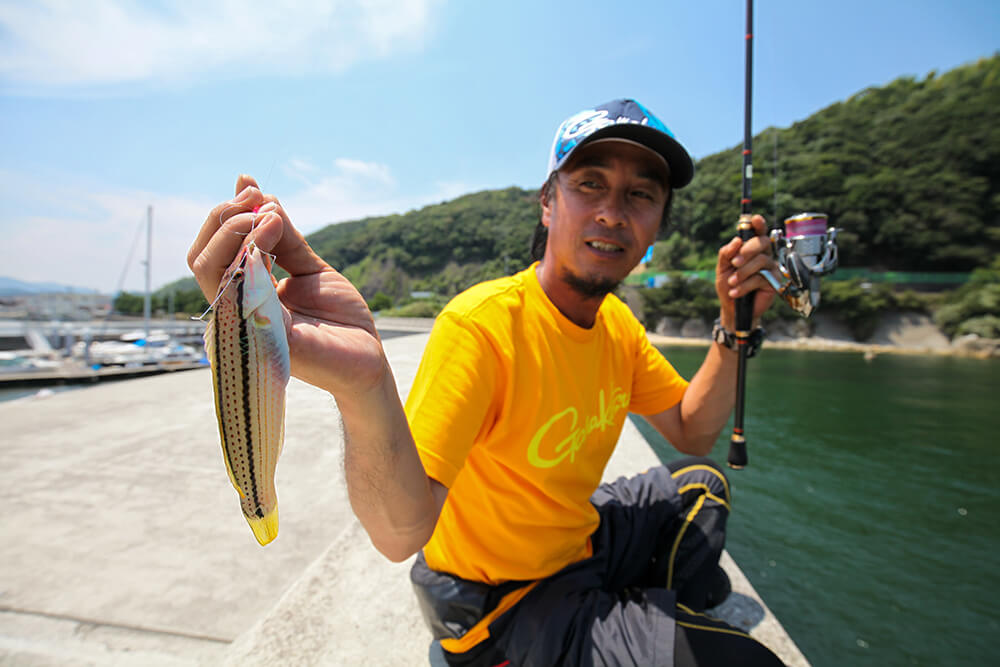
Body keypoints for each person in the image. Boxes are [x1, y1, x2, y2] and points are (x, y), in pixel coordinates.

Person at [188, 98, 785, 666]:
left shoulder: (618, 325)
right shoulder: (483, 326)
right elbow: (400, 534)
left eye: (641, 195)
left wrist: (735, 327)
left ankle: (625, 616)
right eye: (590, 184)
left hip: (579, 545)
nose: (612, 211)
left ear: (657, 223)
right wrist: (363, 385)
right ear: (548, 202)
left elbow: (692, 431)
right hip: (500, 601)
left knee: (702, 486)